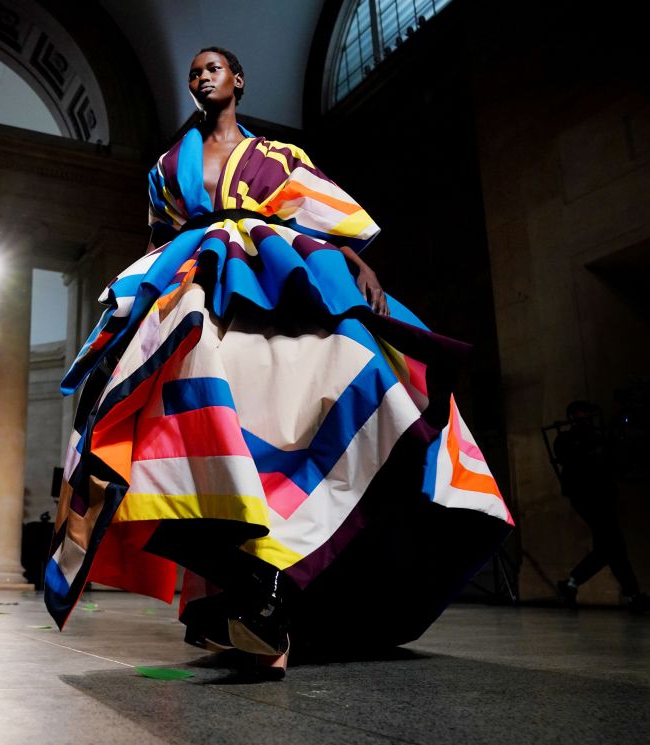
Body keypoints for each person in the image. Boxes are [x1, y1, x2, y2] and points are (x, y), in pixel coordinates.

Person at [44, 47, 515, 676]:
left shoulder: (278, 157)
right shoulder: (165, 166)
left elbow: (322, 223)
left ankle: (274, 593)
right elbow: (158, 237)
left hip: (278, 274)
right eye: (194, 72)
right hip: (192, 285)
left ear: (238, 80)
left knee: (353, 378)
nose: (202, 76)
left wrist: (356, 261)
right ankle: (254, 595)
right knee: (172, 429)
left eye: (214, 68)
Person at [553, 401, 647, 612]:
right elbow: (573, 460)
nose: (585, 421)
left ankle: (571, 584)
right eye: (581, 418)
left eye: (587, 417)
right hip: (586, 497)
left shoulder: (597, 438)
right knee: (613, 546)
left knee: (609, 548)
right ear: (572, 419)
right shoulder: (566, 439)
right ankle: (632, 594)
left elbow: (611, 462)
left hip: (602, 497)